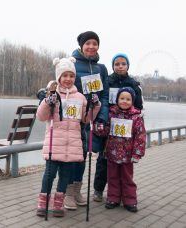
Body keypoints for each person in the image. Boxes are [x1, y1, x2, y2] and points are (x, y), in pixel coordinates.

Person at [36, 57, 101, 217]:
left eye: (71, 76)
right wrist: (47, 102)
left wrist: (95, 105)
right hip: (54, 144)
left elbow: (86, 119)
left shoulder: (79, 97)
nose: (68, 79)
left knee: (65, 177)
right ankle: (43, 202)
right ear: (59, 77)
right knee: (49, 175)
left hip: (71, 145)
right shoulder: (52, 95)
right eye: (64, 75)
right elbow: (41, 116)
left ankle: (59, 203)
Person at [63, 31, 109, 210]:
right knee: (70, 157)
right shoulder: (72, 64)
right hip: (73, 118)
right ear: (81, 45)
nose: (91, 46)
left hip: (91, 119)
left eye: (94, 43)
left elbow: (104, 95)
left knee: (83, 156)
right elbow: (62, 83)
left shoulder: (101, 69)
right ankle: (67, 193)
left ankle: (77, 190)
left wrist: (102, 116)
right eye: (88, 43)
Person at [92, 53, 144, 203]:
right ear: (113, 66)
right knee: (103, 160)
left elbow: (138, 106)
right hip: (109, 124)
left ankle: (125, 195)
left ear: (128, 66)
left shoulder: (134, 84)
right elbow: (101, 100)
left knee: (125, 166)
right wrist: (101, 120)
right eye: (117, 64)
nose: (120, 66)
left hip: (127, 128)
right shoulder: (107, 81)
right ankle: (99, 189)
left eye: (123, 64)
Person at [94, 87, 146, 213]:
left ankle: (130, 200)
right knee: (112, 177)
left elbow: (140, 136)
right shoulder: (111, 114)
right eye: (122, 98)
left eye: (128, 99)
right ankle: (113, 198)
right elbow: (105, 131)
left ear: (132, 101)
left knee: (127, 178)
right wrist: (100, 128)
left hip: (127, 155)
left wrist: (137, 153)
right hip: (112, 153)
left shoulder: (136, 117)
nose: (124, 101)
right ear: (117, 100)